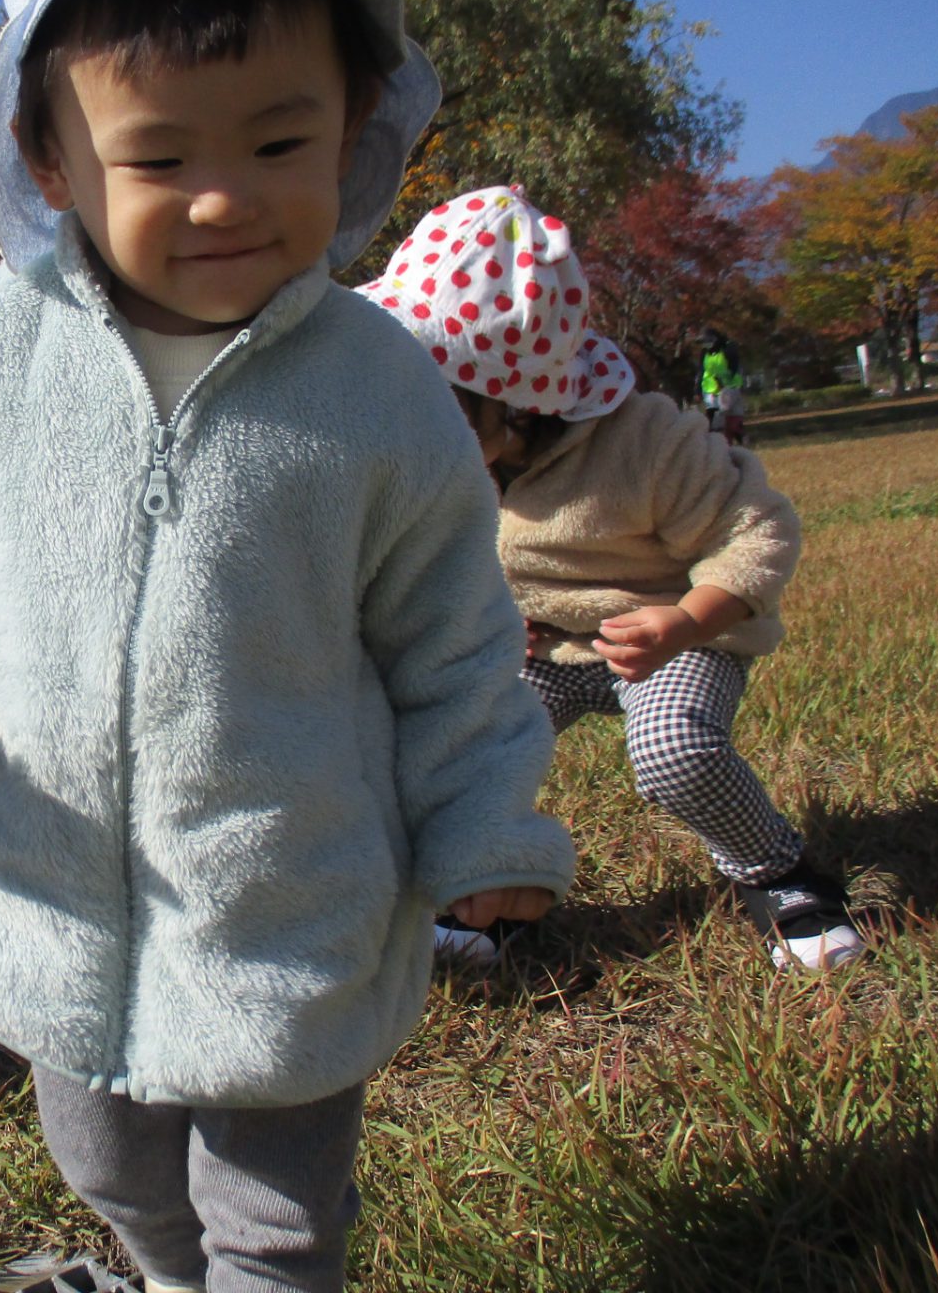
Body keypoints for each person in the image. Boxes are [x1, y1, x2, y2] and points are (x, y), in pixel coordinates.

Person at [0, 0, 575, 1290]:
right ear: (50, 158)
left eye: (281, 141)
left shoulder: (378, 386)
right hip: (45, 898)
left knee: (277, 1224)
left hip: (286, 909)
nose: (224, 198)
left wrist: (487, 827)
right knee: (113, 1173)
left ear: (357, 122)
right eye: (160, 160)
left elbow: (455, 639)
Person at [361, 185, 864, 975]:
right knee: (453, 746)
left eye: (435, 407)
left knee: (673, 750)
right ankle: (493, 887)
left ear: (517, 405)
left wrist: (689, 620)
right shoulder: (443, 464)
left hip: (670, 636)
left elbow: (755, 528)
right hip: (544, 649)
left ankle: (779, 872)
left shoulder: (647, 445)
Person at [698, 326, 746, 444]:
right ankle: (720, 443)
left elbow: (734, 368)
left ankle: (739, 436)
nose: (707, 344)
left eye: (709, 340)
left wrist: (725, 381)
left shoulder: (727, 350)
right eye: (704, 341)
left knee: (727, 416)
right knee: (714, 419)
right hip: (710, 389)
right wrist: (697, 389)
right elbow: (701, 371)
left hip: (729, 388)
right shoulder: (705, 353)